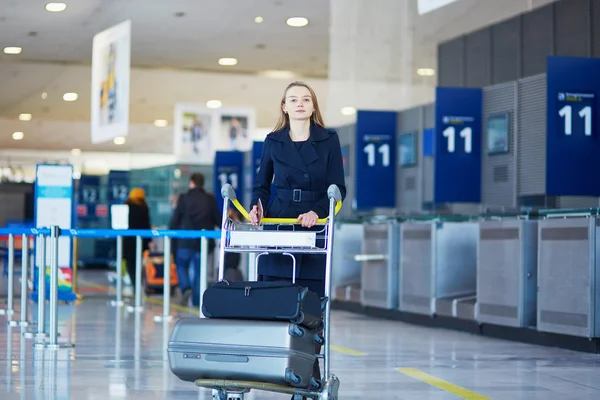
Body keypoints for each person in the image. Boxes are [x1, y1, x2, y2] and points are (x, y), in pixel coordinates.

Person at [248, 81, 346, 388]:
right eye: (294, 99)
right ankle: (277, 367)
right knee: (276, 295)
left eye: (306, 99)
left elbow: (338, 187)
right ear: (284, 106)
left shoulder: (329, 139)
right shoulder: (273, 140)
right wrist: (257, 207)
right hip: (279, 220)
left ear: (313, 106)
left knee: (310, 301)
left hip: (313, 223)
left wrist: (317, 211)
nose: (300, 103)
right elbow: (261, 184)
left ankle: (308, 377)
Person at [169, 172, 221, 307]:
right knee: (199, 272)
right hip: (203, 243)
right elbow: (218, 220)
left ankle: (186, 288)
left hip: (185, 241)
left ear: (191, 183)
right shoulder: (209, 199)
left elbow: (175, 220)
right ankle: (197, 301)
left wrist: (171, 233)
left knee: (181, 265)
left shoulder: (183, 198)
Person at [122, 187, 151, 293]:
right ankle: (139, 283)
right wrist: (148, 241)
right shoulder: (144, 207)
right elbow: (147, 225)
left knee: (130, 263)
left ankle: (134, 282)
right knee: (139, 262)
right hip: (141, 240)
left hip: (128, 240)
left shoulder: (126, 206)